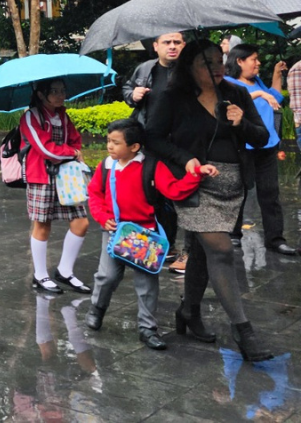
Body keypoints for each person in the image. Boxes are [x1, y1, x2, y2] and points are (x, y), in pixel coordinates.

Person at [146, 39, 272, 361]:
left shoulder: (237, 94)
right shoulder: (173, 97)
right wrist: (185, 158)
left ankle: (189, 311)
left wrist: (242, 122)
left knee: (203, 253)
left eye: (219, 61)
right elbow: (153, 138)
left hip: (233, 188)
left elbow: (261, 137)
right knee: (221, 251)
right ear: (190, 66)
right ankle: (243, 330)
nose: (216, 68)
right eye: (207, 63)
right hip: (194, 185)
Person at [85, 119, 206, 350]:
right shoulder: (106, 166)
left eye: (116, 142)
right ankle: (97, 309)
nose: (109, 146)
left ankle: (147, 328)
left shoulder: (151, 166)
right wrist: (102, 216)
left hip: (144, 235)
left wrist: (196, 174)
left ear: (134, 146)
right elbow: (95, 194)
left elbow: (174, 190)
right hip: (114, 230)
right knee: (107, 276)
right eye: (109, 141)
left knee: (147, 282)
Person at [122, 31, 187, 273]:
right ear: (156, 46)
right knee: (152, 194)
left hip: (180, 144)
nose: (172, 46)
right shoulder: (145, 69)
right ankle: (163, 245)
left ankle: (187, 248)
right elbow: (127, 89)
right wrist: (133, 95)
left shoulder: (190, 71)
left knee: (180, 195)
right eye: (167, 42)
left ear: (184, 45)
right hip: (149, 142)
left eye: (177, 42)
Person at [19, 78, 91, 295]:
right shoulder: (31, 117)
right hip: (41, 176)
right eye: (55, 91)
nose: (61, 95)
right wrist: (71, 153)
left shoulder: (63, 116)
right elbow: (45, 149)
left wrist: (71, 151)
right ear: (41, 94)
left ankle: (65, 271)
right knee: (42, 225)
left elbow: (75, 140)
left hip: (66, 176)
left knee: (81, 222)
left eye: (63, 91)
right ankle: (40, 275)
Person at [225, 44, 296, 256]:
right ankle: (233, 235)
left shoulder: (257, 81)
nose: (258, 63)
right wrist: (259, 94)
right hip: (244, 146)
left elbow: (275, 96)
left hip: (267, 145)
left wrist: (276, 74)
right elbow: (232, 105)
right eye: (254, 59)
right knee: (239, 192)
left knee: (270, 193)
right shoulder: (228, 82)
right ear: (239, 61)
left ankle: (275, 239)